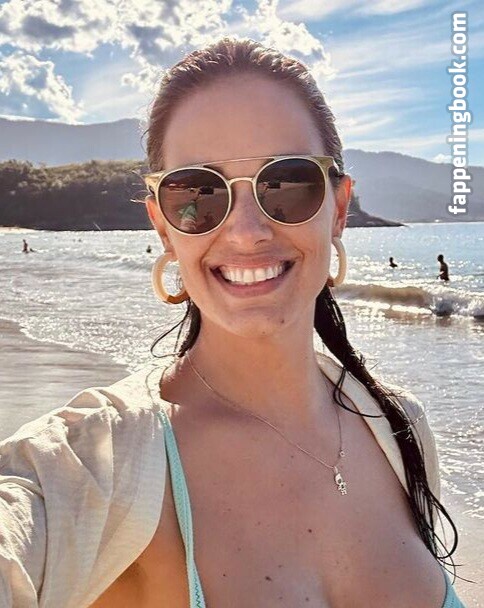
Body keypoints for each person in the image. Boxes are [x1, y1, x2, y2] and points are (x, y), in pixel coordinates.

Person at [0, 37, 466, 608]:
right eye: (197, 193)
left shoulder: (399, 429)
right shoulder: (98, 462)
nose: (246, 232)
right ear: (163, 225)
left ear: (339, 208)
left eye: (287, 184)